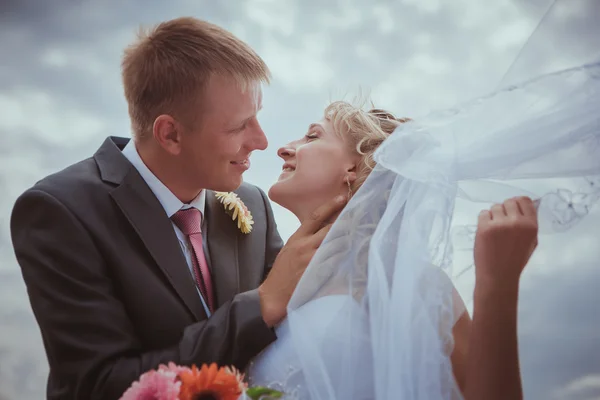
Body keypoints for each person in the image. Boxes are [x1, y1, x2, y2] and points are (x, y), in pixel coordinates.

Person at [9, 17, 345, 400]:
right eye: (238, 127)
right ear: (170, 134)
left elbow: (288, 337)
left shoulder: (252, 203)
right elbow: (100, 384)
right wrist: (260, 306)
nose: (262, 141)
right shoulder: (61, 212)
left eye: (258, 116)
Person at [246, 81, 600, 399]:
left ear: (353, 170)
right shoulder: (272, 278)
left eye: (312, 136)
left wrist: (497, 284)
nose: (284, 149)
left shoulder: (410, 283)